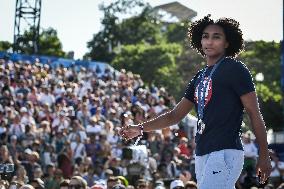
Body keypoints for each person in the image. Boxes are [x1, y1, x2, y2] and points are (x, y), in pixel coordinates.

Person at [119, 14, 272, 188]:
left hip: (224, 150)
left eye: (216, 37)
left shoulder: (234, 68)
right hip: (201, 152)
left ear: (227, 43)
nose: (209, 41)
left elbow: (254, 113)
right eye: (205, 36)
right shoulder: (200, 76)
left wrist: (264, 154)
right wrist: (140, 128)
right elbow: (174, 116)